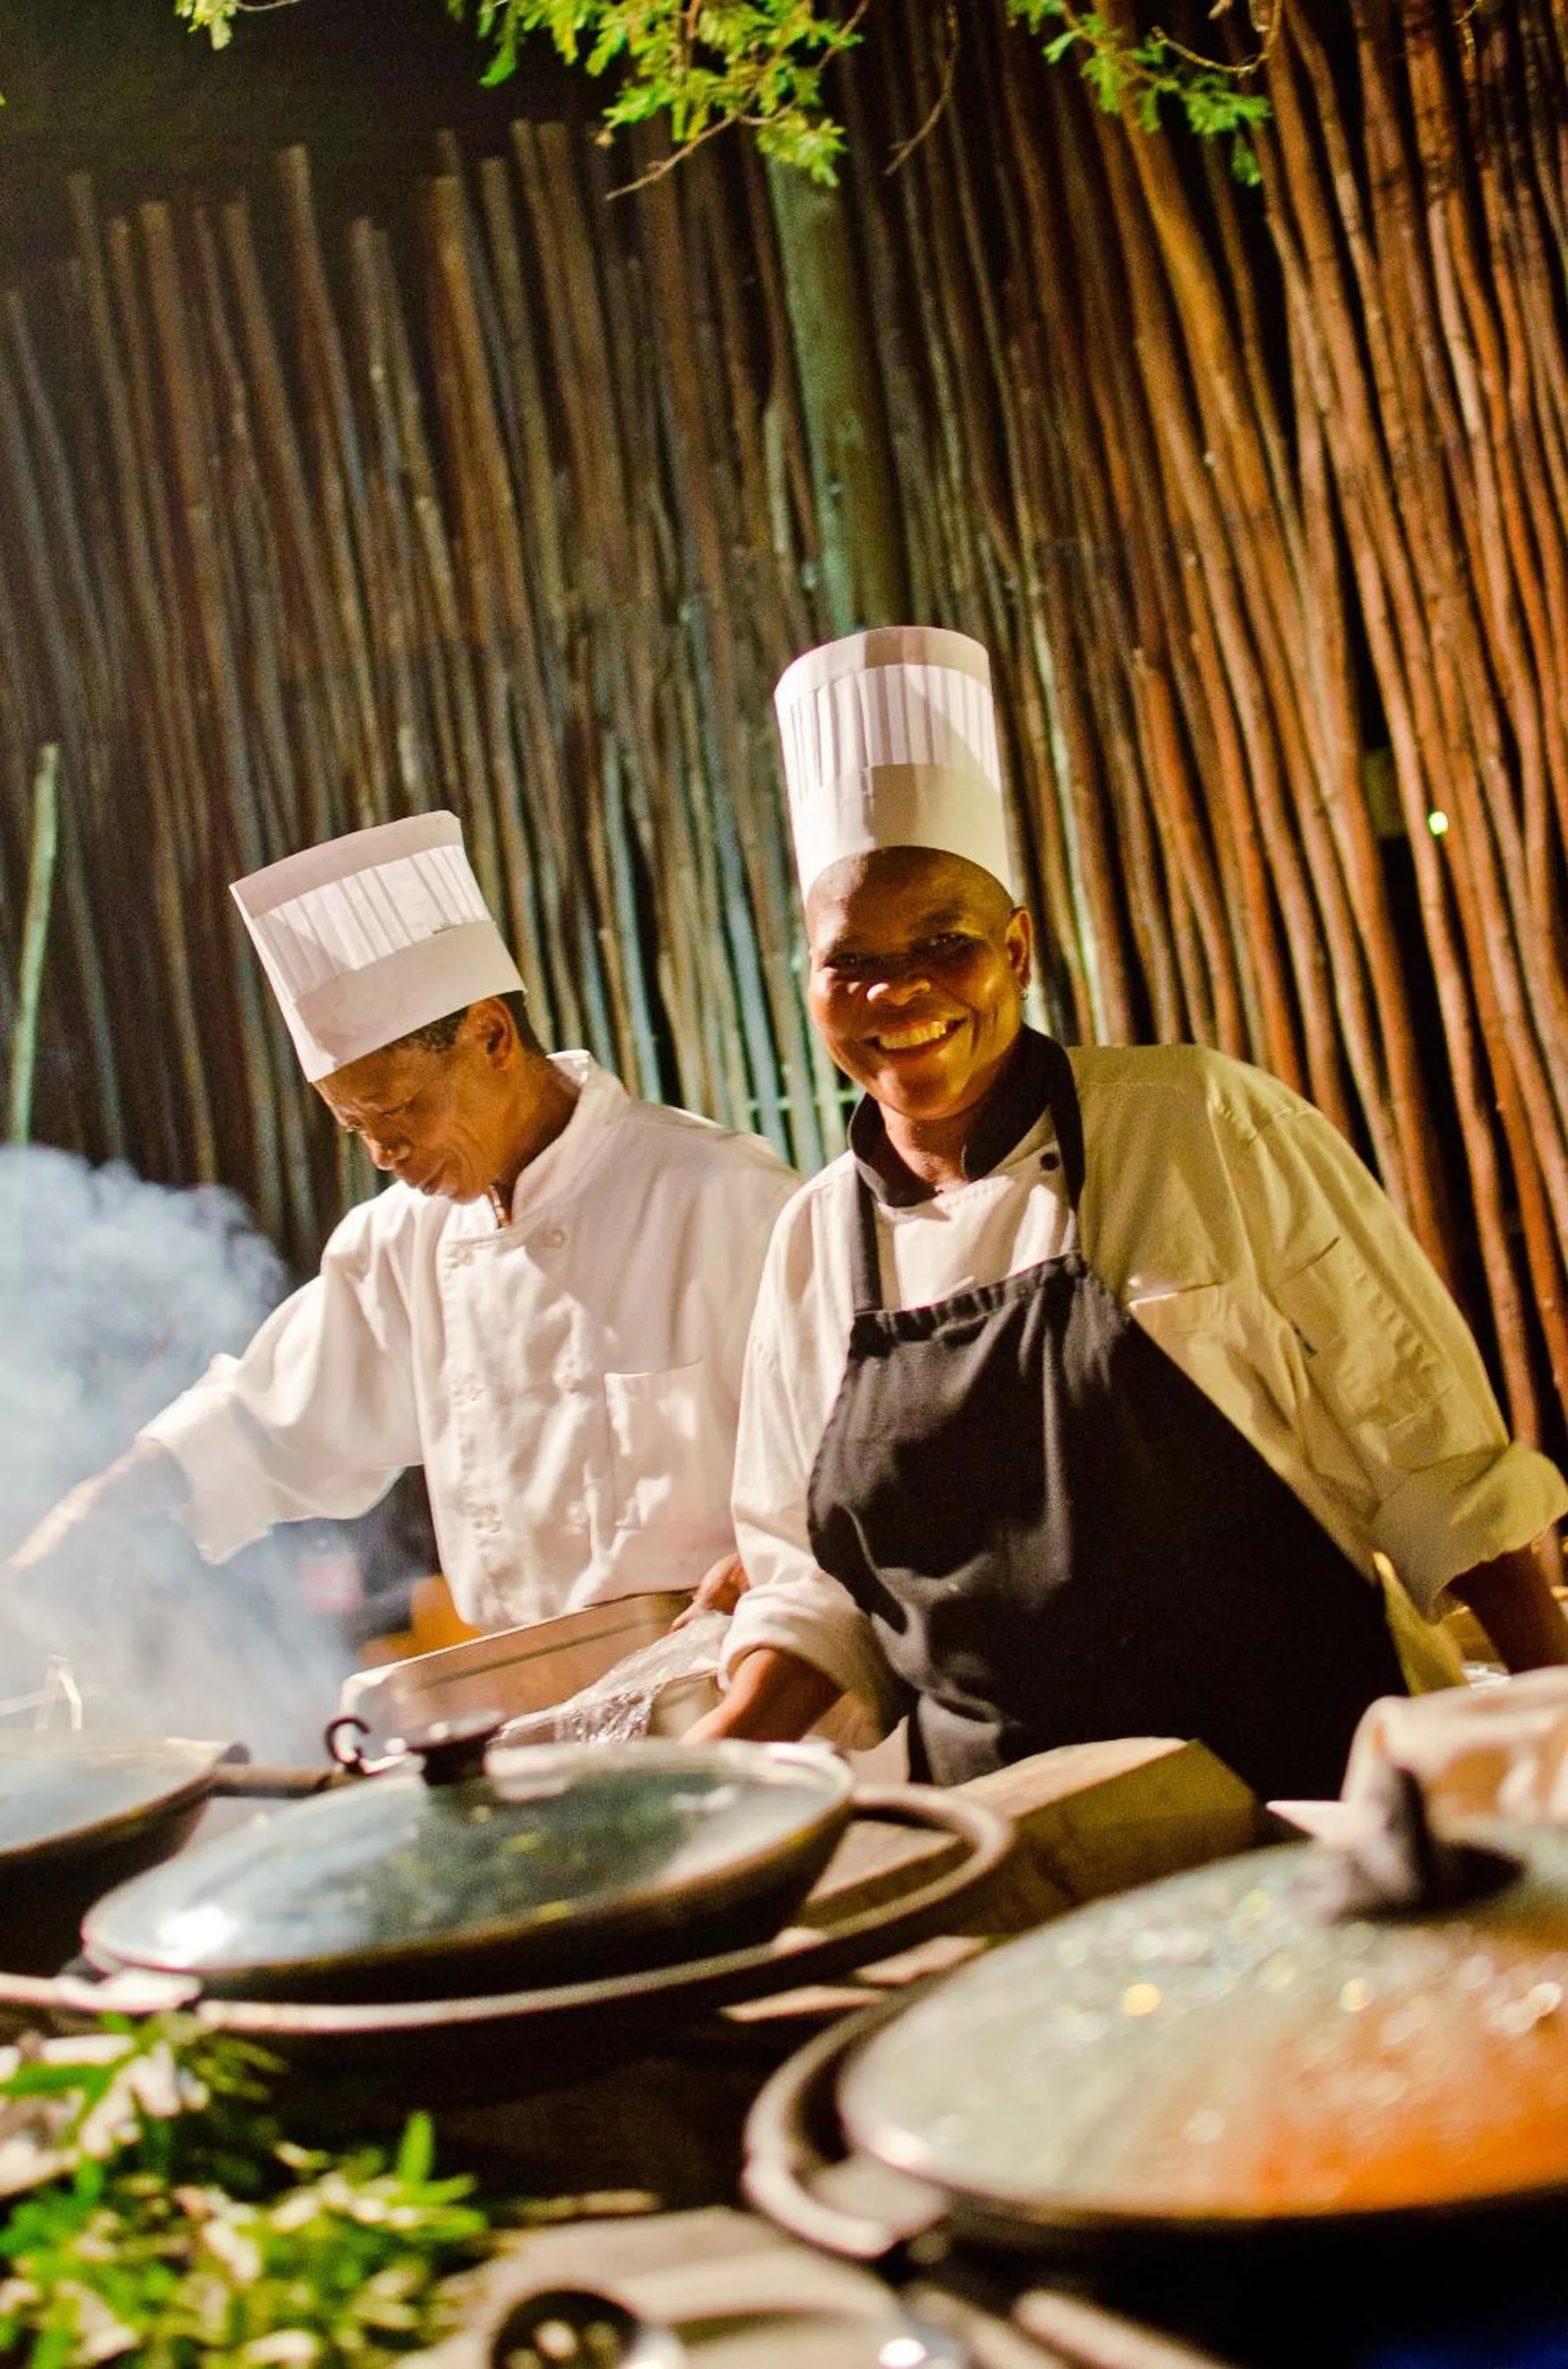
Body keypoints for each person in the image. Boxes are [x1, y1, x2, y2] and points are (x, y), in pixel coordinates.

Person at [685, 626, 1568, 1800]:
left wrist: (1553, 1731)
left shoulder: (1194, 1121)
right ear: (809, 981)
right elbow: (811, 1586)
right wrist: (697, 1775)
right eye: (852, 962)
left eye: (943, 946)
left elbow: (1434, 1451)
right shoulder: (815, 1238)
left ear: (1017, 952)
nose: (897, 994)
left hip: (1304, 1793)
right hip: (1011, 1836)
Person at [5, 812, 797, 1633]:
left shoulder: (721, 1198)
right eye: (357, 1128)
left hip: (736, 1691)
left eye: (399, 1110)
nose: (384, 1154)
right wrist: (91, 1517)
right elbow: (262, 1418)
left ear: (490, 1036)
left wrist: (777, 1565)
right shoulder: (398, 1243)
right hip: (539, 1706)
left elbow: (839, 1467)